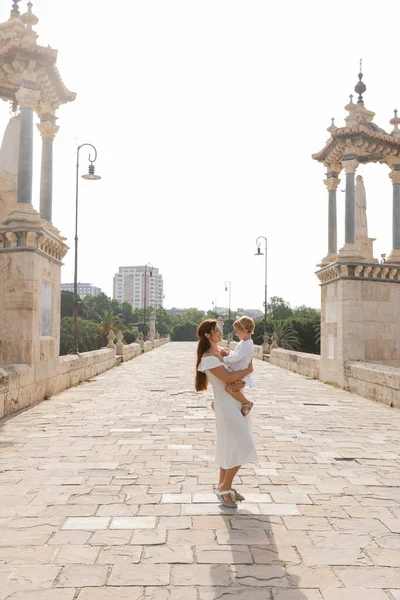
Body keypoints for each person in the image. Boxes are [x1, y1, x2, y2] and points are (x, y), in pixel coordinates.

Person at [195, 319, 258, 508]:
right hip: (226, 406)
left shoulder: (220, 352)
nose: (220, 333)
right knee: (242, 444)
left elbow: (233, 371)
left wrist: (242, 377)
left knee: (228, 447)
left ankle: (223, 487)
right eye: (217, 331)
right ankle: (225, 487)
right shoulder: (208, 358)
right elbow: (229, 377)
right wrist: (248, 370)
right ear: (208, 335)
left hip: (233, 403)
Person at [223, 316, 255, 416]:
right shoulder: (243, 343)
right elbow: (237, 354)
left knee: (230, 389)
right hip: (238, 371)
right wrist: (229, 353)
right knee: (230, 388)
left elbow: (237, 357)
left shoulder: (247, 344)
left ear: (245, 330)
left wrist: (223, 359)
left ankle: (246, 403)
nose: (236, 334)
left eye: (237, 331)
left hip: (241, 373)